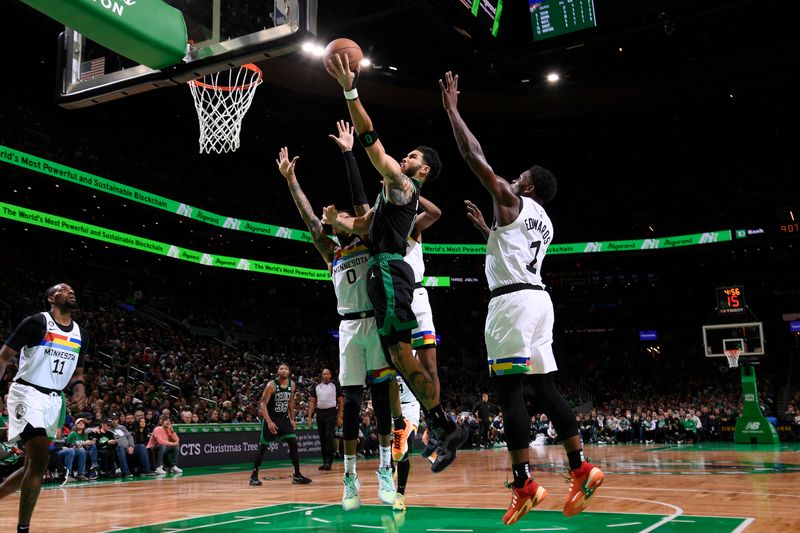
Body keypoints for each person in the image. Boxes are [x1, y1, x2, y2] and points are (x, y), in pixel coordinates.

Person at [440, 71, 604, 525]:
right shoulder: (544, 221)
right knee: (546, 388)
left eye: (519, 177)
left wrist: (453, 111)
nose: (511, 180)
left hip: (511, 305)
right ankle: (581, 466)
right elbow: (514, 250)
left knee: (510, 391)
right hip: (539, 303)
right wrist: (487, 233)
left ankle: (523, 484)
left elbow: (474, 156)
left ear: (526, 187)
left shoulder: (510, 199)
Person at [323, 56, 462, 473]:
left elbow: (372, 141)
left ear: (423, 170)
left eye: (414, 154)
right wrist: (336, 221)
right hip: (387, 274)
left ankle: (443, 424)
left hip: (388, 273)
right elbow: (363, 222)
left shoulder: (403, 185)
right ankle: (442, 424)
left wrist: (350, 90)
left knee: (402, 356)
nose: (407, 155)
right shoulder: (393, 196)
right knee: (399, 358)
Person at [275, 125, 397, 510]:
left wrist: (349, 152)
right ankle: (349, 478)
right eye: (337, 218)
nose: (340, 219)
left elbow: (362, 203)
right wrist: (292, 180)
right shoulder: (332, 252)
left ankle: (385, 471)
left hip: (375, 325)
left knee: (381, 404)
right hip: (348, 328)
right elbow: (311, 219)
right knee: (352, 402)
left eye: (346, 216)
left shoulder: (368, 238)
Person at [0, 283, 88, 533]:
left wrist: (79, 390)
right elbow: (4, 356)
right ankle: (23, 529)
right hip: (27, 392)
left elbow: (78, 373)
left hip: (54, 400)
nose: (71, 291)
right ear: (51, 298)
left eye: (73, 289)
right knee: (40, 458)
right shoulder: (36, 323)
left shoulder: (82, 334)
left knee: (32, 465)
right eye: (64, 289)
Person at [249, 363, 311, 486]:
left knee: (293, 443)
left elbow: (291, 401)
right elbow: (262, 404)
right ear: (277, 372)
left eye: (286, 368)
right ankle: (253, 476)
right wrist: (269, 422)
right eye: (281, 368)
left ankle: (297, 475)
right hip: (271, 419)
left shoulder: (292, 384)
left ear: (289, 371)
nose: (284, 370)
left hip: (284, 419)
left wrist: (292, 419)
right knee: (263, 448)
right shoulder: (271, 385)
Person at [391, 374, 421, 514]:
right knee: (396, 448)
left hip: (410, 406)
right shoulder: (386, 357)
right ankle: (392, 467)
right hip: (391, 406)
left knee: (404, 446)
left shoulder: (414, 355)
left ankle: (400, 495)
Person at [307, 368, 343, 471]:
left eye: (328, 374)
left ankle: (329, 462)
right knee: (322, 438)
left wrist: (340, 416)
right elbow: (313, 402)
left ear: (330, 375)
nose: (326, 375)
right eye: (324, 374)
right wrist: (309, 416)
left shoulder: (335, 385)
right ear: (322, 376)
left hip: (331, 413)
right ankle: (325, 462)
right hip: (320, 413)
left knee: (329, 437)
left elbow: (340, 401)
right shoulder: (317, 386)